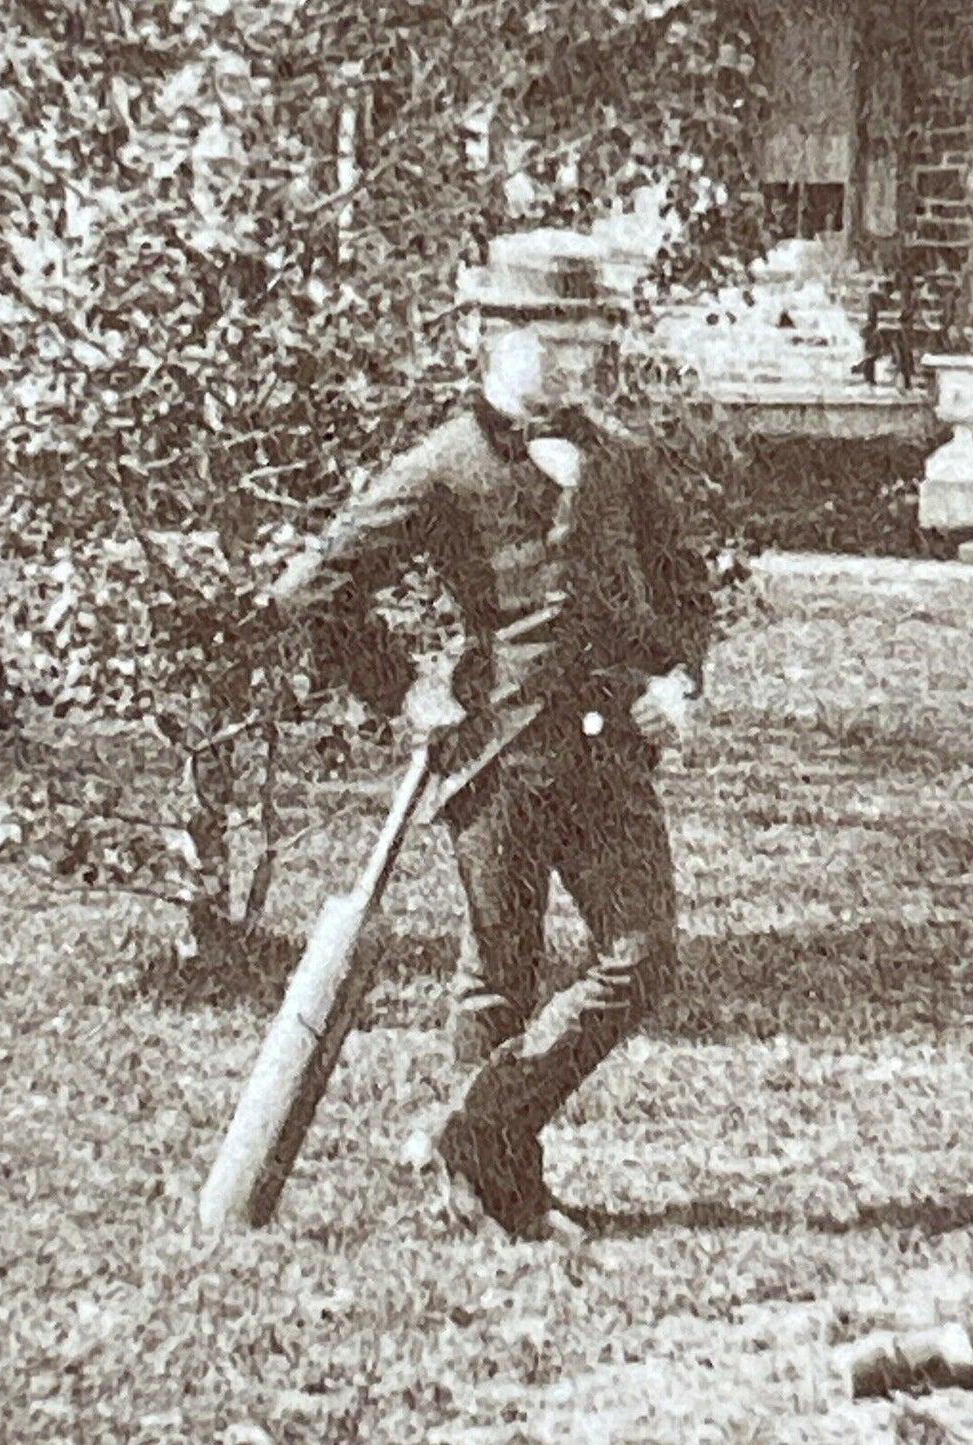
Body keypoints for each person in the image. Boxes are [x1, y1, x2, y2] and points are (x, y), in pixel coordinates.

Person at [270, 240, 722, 1238]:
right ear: (490, 338)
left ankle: (470, 1128)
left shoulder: (619, 455)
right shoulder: (441, 463)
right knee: (499, 975)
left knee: (640, 956)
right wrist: (405, 689)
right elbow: (313, 589)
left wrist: (676, 681)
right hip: (499, 759)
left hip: (609, 754)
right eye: (550, 344)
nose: (573, 367)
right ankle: (500, 1189)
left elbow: (687, 589)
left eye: (587, 345)